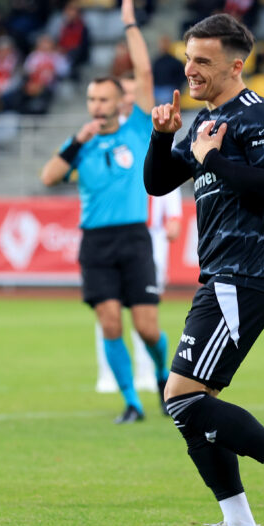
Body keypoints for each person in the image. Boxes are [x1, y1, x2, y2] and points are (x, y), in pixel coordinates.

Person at [144, 13, 264, 526]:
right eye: (188, 58)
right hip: (221, 276)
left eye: (203, 61)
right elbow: (158, 184)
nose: (190, 69)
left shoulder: (258, 116)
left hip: (244, 275)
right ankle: (240, 524)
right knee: (191, 405)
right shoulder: (206, 121)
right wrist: (162, 138)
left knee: (181, 397)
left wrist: (214, 160)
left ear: (235, 65)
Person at [40, 0, 170, 424]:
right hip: (96, 242)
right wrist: (76, 141)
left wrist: (130, 22)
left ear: (119, 103)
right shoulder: (81, 143)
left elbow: (144, 71)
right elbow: (48, 177)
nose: (96, 106)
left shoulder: (137, 129)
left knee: (147, 328)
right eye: (91, 100)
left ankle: (164, 377)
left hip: (134, 238)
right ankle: (132, 402)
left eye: (102, 100)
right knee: (111, 324)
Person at [96, 76, 183, 395]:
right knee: (108, 307)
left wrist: (174, 216)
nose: (131, 98)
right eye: (127, 93)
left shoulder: (155, 129)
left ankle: (147, 373)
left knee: (145, 307)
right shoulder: (106, 134)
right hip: (115, 231)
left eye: (136, 92)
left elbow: (169, 176)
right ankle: (109, 375)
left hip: (152, 235)